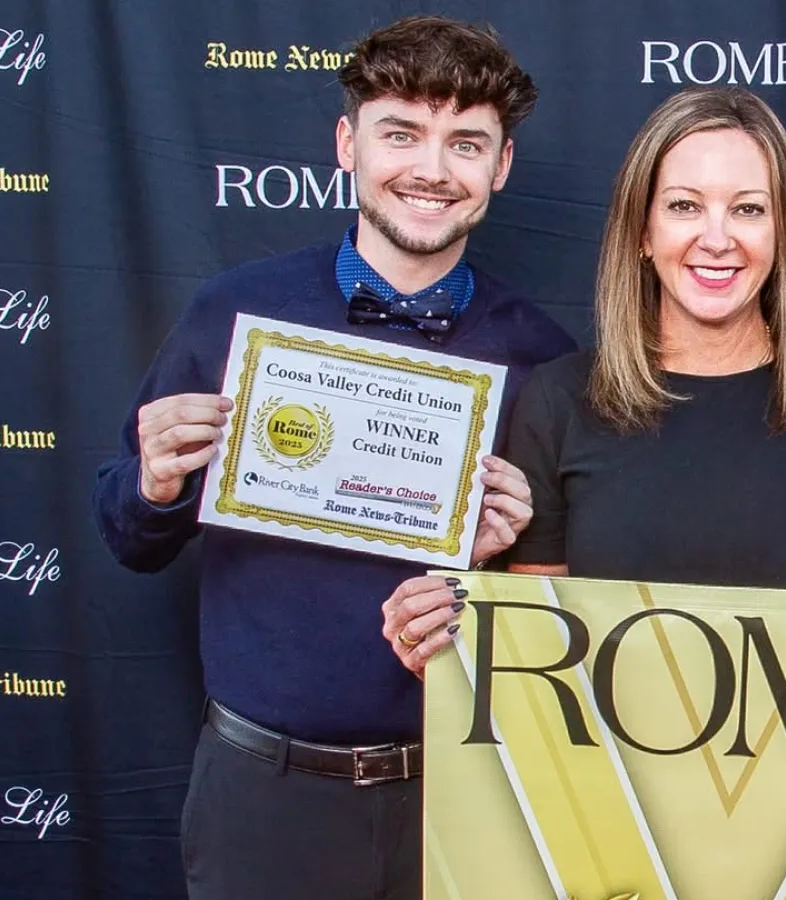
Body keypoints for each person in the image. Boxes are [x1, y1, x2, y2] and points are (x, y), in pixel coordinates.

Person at [92, 16, 575, 900]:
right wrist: (157, 482)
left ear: (499, 167)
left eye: (466, 143)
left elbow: (565, 604)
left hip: (465, 789)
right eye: (402, 133)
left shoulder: (541, 355)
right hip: (263, 799)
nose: (432, 169)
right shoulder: (234, 313)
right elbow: (128, 534)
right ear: (347, 144)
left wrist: (505, 559)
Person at [493, 87, 786, 591]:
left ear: (784, 233)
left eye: (748, 210)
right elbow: (535, 647)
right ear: (643, 233)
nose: (717, 240)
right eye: (684, 206)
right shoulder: (556, 401)